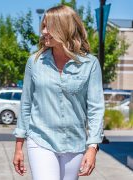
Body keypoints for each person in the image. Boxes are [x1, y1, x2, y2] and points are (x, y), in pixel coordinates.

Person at [13, 5, 104, 180]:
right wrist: (19, 146)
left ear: (64, 28)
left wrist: (92, 147)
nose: (43, 32)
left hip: (75, 143)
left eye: (48, 27)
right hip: (40, 139)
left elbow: (95, 109)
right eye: (43, 27)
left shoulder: (90, 64)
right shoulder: (35, 61)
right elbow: (26, 104)